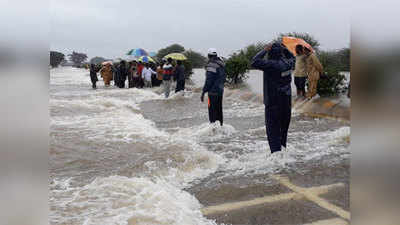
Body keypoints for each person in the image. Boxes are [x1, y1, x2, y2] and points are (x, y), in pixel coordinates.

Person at [251, 42, 295, 154]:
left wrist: (264, 49)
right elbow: (293, 57)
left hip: (273, 103)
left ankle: (276, 158)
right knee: (283, 130)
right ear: (281, 52)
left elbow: (254, 61)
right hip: (286, 102)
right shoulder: (289, 63)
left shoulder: (270, 65)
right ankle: (283, 153)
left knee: (273, 131)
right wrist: (285, 49)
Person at [200, 48, 226, 126]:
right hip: (220, 91)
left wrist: (203, 92)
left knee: (212, 111)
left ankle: (213, 129)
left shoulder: (211, 65)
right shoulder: (221, 64)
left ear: (209, 56)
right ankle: (220, 127)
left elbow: (209, 81)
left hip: (212, 92)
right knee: (219, 110)